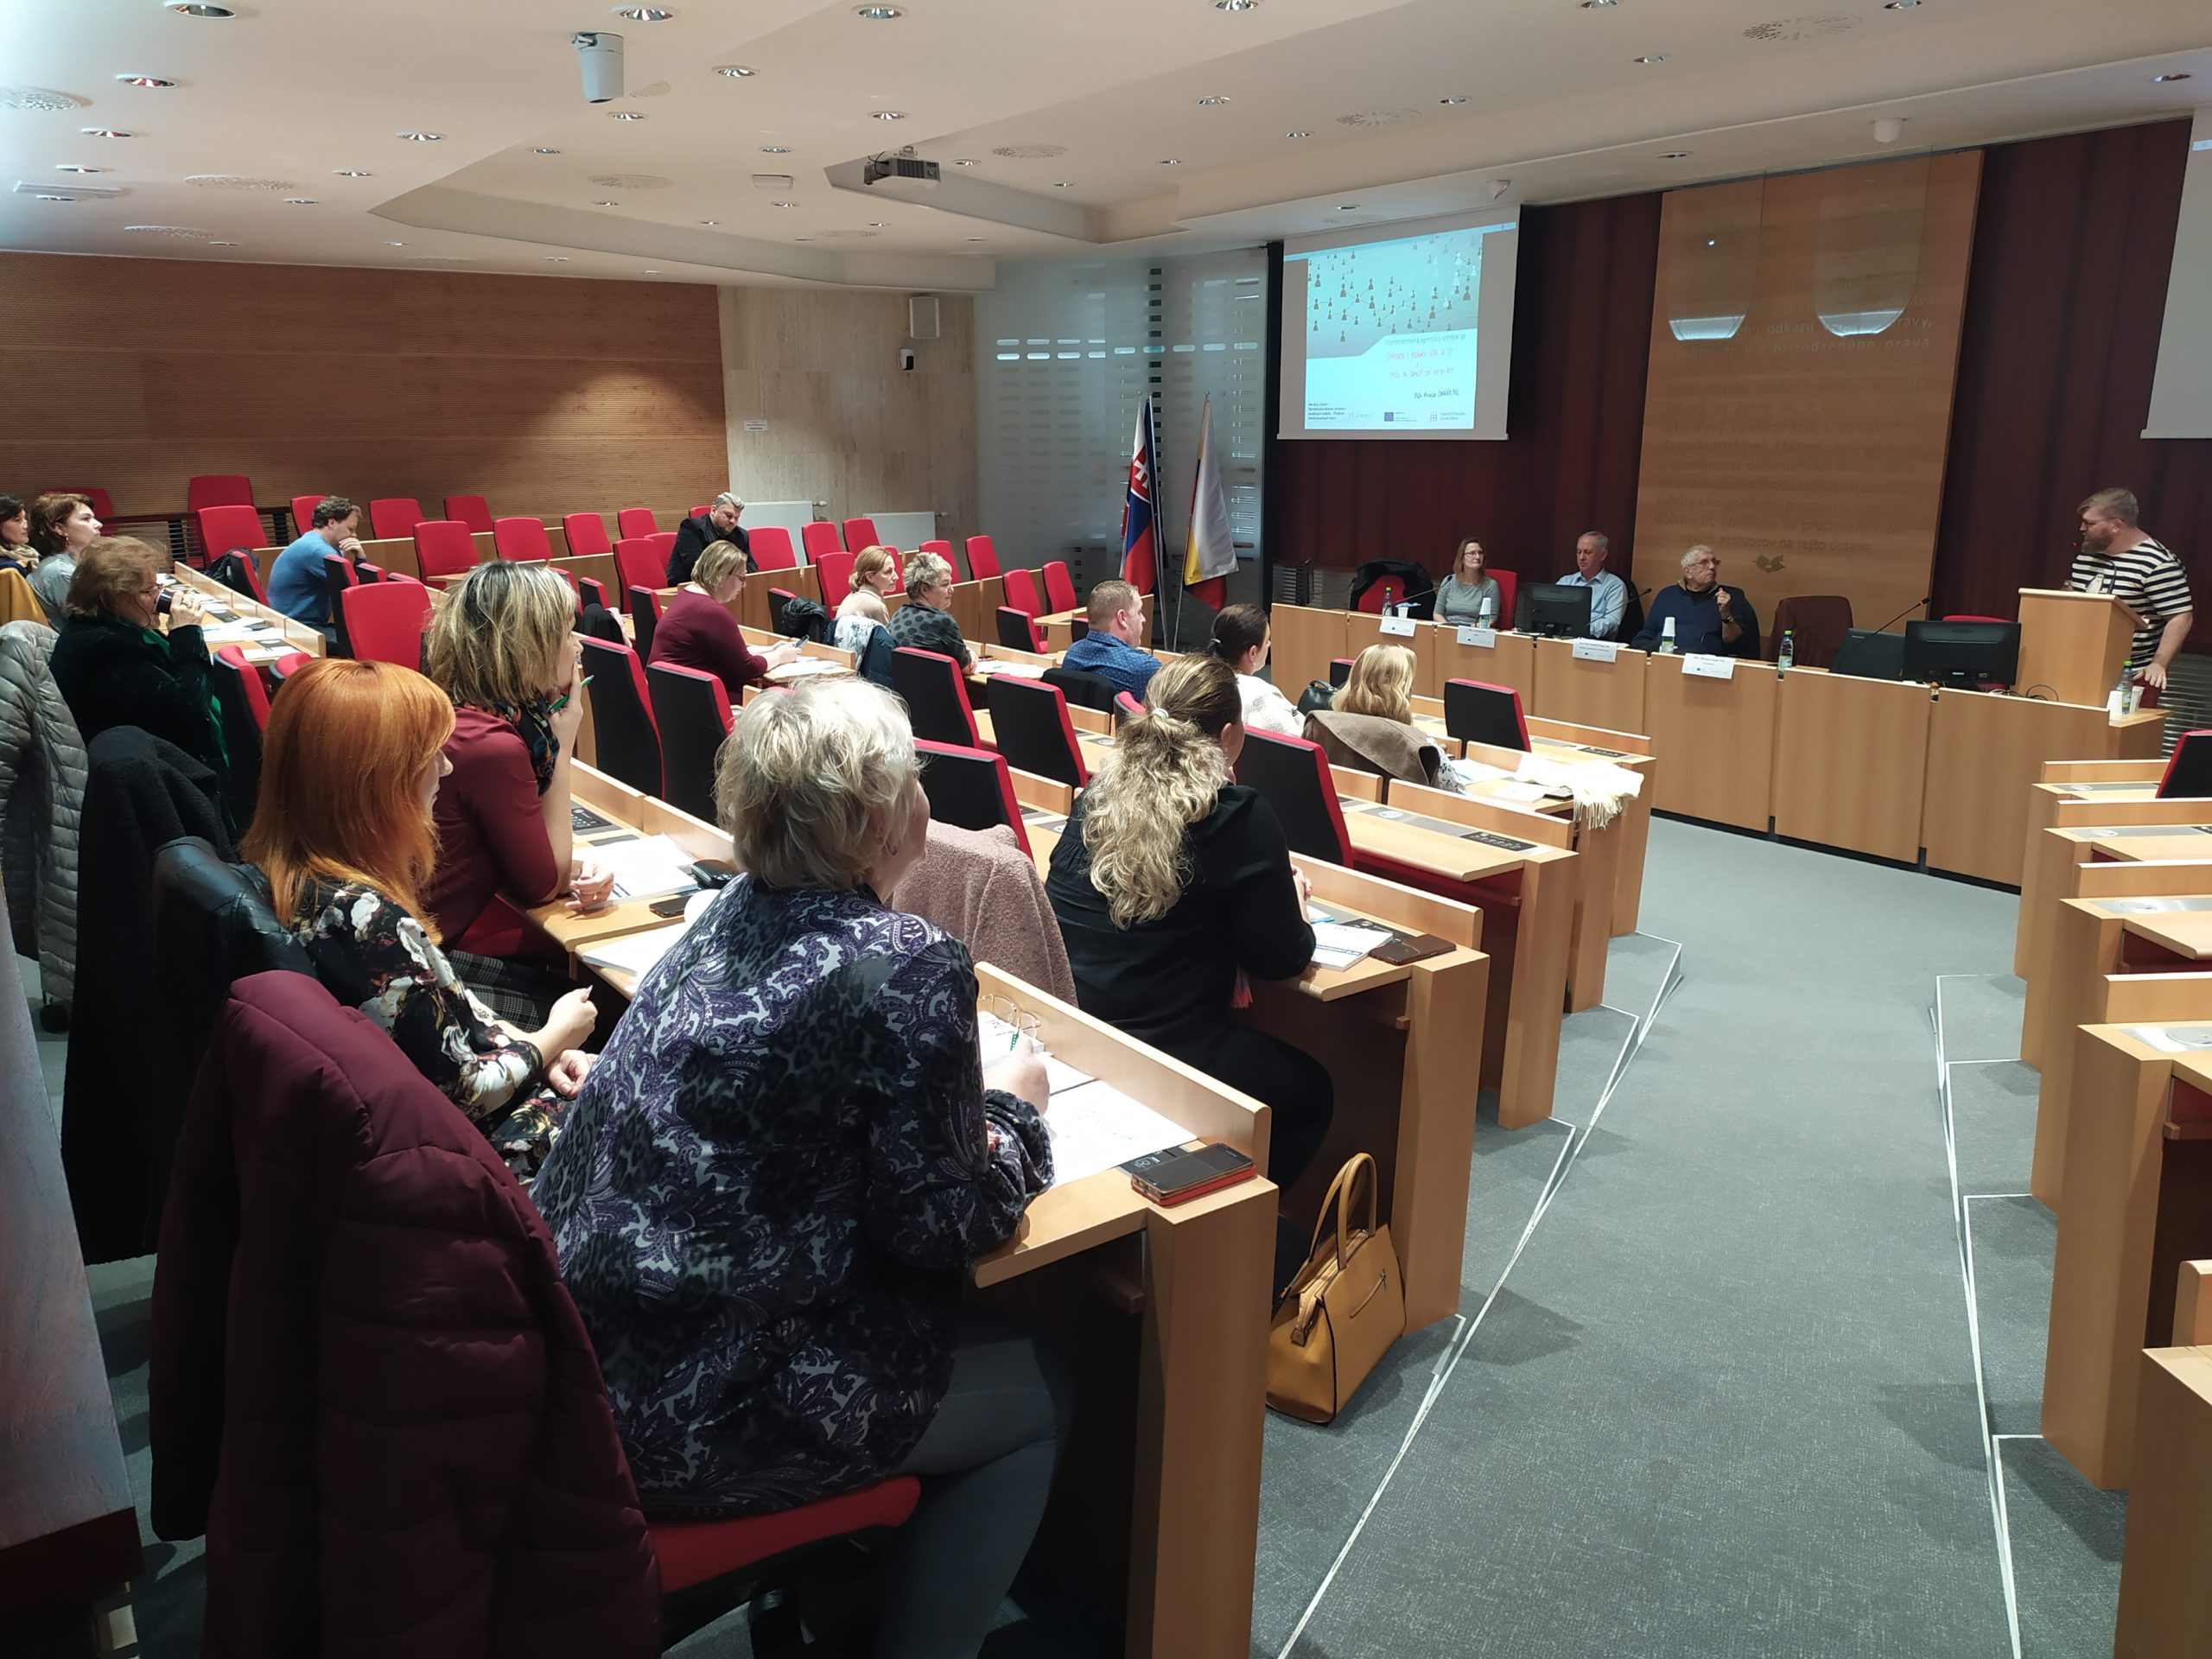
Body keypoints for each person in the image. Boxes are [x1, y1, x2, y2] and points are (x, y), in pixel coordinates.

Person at [534, 676, 1063, 1659]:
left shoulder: (731, 908)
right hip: (696, 1412)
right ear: (877, 819)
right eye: (913, 778)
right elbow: (941, 1226)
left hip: (584, 1370)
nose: (925, 796)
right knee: (1042, 1387)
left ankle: (848, 1585)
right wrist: (1015, 1111)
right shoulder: (909, 964)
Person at [241, 658, 597, 1179]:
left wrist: (532, 1051)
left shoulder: (296, 873)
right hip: (472, 1161)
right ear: (379, 781)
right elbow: (468, 1093)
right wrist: (557, 1035)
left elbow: (450, 1016)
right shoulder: (367, 921)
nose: (446, 769)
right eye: (432, 756)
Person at [1045, 655, 1332, 1209]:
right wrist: (1293, 903)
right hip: (1165, 1056)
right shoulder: (1235, 814)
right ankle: (1233, 1234)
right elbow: (1281, 958)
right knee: (1309, 1093)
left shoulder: (1095, 798)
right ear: (1227, 737)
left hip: (1078, 1035)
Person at [422, 560, 613, 1023]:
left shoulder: (453, 708)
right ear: (527, 647)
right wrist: (563, 746)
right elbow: (542, 886)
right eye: (566, 633)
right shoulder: (491, 746)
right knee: (602, 1013)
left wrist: (566, 865)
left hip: (410, 943)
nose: (578, 645)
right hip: (417, 973)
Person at [48, 536, 229, 791]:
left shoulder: (101, 627)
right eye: (147, 591)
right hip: (167, 779)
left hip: (154, 757)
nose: (160, 597)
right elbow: (189, 709)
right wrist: (187, 633)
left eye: (157, 586)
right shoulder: (107, 649)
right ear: (110, 598)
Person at [2069, 486, 2192, 697]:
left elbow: (2180, 616)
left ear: (2116, 525)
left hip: (2132, 674)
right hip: (2079, 664)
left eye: (2090, 523)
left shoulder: (2157, 563)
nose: (2082, 528)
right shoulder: (2088, 554)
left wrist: (2159, 663)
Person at [647, 537, 798, 700]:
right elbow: (748, 668)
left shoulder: (686, 597)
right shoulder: (710, 612)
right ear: (722, 575)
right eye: (741, 578)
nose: (744, 585)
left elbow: (729, 653)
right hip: (698, 700)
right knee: (783, 700)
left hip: (670, 696)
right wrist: (780, 656)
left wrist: (770, 649)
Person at [1304, 643, 1450, 789]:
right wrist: (1438, 757)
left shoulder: (1318, 725)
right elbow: (1458, 795)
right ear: (1403, 691)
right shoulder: (1422, 748)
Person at [1631, 545, 1760, 658]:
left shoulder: (1731, 597)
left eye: (1714, 562)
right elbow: (1646, 634)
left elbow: (1735, 642)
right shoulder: (1667, 595)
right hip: (1666, 661)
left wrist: (1726, 614)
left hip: (1708, 667)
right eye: (1704, 563)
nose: (1712, 567)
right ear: (1688, 572)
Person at [264, 495, 366, 628]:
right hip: (298, 628)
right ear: (332, 523)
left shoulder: (312, 541)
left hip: (292, 623)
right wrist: (361, 558)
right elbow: (357, 591)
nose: (354, 535)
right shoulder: (318, 551)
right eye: (350, 529)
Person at [1208, 601, 1302, 737]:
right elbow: (1297, 741)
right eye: (1267, 640)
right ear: (1253, 653)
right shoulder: (1259, 694)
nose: (1269, 644)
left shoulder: (1200, 678)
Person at [1061, 577, 1160, 697]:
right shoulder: (1144, 668)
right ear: (1122, 618)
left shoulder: (1072, 654)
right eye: (1139, 612)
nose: (1143, 619)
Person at [885, 548, 973, 668]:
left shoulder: (899, 614)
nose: (952, 589)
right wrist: (971, 653)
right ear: (924, 590)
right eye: (945, 584)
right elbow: (967, 667)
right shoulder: (942, 621)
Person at [28, 492, 101, 623]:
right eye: (86, 519)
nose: (98, 524)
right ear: (60, 528)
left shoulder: (73, 564)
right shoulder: (59, 572)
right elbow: (90, 623)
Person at [664, 491, 748, 587]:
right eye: (729, 515)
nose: (733, 521)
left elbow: (751, 565)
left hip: (725, 586)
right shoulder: (691, 528)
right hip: (687, 585)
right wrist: (735, 572)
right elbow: (697, 565)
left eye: (736, 518)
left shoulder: (740, 534)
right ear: (713, 510)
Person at [1556, 529, 1627, 640]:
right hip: (1561, 639)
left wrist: (1580, 629)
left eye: (1588, 552)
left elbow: (1612, 622)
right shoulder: (1565, 582)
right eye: (1579, 552)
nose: (1581, 557)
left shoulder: (1615, 586)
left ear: (1603, 555)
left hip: (1594, 642)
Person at [833, 544, 899, 653]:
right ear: (870, 577)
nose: (896, 577)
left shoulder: (851, 597)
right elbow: (888, 647)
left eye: (894, 570)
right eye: (888, 572)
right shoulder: (875, 605)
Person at [1434, 538, 1503, 627]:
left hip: (1475, 631)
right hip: (1449, 628)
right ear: (1462, 558)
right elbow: (1437, 614)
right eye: (1472, 553)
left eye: (1480, 553)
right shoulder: (1449, 581)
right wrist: (1448, 627)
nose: (1477, 557)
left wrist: (1467, 629)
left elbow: (1491, 620)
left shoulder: (1490, 585)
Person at [0, 495, 33, 576]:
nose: (26, 526)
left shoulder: (29, 552)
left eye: (25, 518)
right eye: (17, 520)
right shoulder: (9, 569)